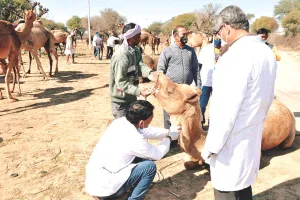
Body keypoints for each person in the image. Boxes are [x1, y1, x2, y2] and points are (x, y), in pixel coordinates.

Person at [201, 5, 277, 200]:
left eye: (219, 32)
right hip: (250, 136)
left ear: (227, 27)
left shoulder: (235, 56)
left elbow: (224, 111)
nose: (219, 36)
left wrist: (211, 148)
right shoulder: (265, 52)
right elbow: (267, 99)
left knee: (228, 190)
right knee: (243, 188)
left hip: (230, 145)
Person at [85, 100, 180, 200]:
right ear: (142, 122)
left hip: (94, 180)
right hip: (106, 189)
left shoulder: (120, 122)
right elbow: (158, 153)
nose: (152, 119)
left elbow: (146, 131)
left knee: (140, 158)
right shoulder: (135, 140)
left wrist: (168, 131)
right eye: (151, 118)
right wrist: (169, 138)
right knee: (149, 167)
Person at [157, 25, 199, 130]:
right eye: (183, 34)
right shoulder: (167, 51)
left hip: (186, 89)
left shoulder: (190, 51)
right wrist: (163, 88)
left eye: (186, 34)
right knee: (169, 113)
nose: (186, 36)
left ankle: (183, 136)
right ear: (175, 36)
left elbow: (195, 69)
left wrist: (199, 85)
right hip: (171, 90)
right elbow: (160, 70)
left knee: (185, 112)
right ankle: (170, 138)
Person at [109, 22, 154, 118]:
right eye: (138, 36)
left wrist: (151, 74)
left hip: (131, 97)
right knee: (124, 130)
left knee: (132, 127)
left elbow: (140, 65)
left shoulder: (135, 50)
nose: (140, 38)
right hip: (120, 101)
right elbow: (121, 82)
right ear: (131, 37)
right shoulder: (122, 55)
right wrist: (139, 91)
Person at [198, 36, 221, 129]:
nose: (218, 39)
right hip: (206, 82)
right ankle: (200, 122)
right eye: (216, 37)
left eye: (220, 38)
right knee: (202, 104)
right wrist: (197, 80)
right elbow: (199, 64)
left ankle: (213, 124)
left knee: (217, 104)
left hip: (220, 82)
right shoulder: (206, 49)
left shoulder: (227, 49)